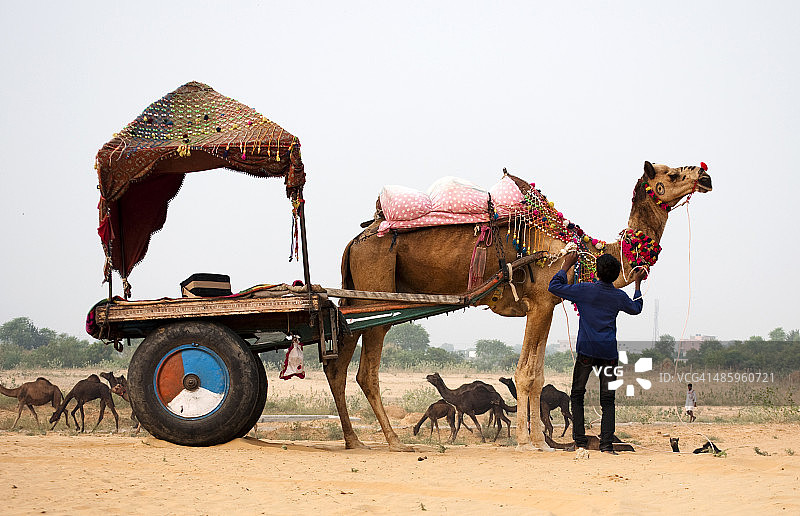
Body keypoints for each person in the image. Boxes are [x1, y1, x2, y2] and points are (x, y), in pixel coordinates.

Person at [548, 252, 646, 454]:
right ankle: (607, 446)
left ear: (596, 272)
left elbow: (554, 287)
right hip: (608, 354)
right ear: (617, 274)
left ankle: (580, 442)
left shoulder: (585, 290)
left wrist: (566, 266)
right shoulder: (618, 295)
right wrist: (637, 285)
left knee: (577, 394)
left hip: (586, 351)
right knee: (608, 399)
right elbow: (637, 309)